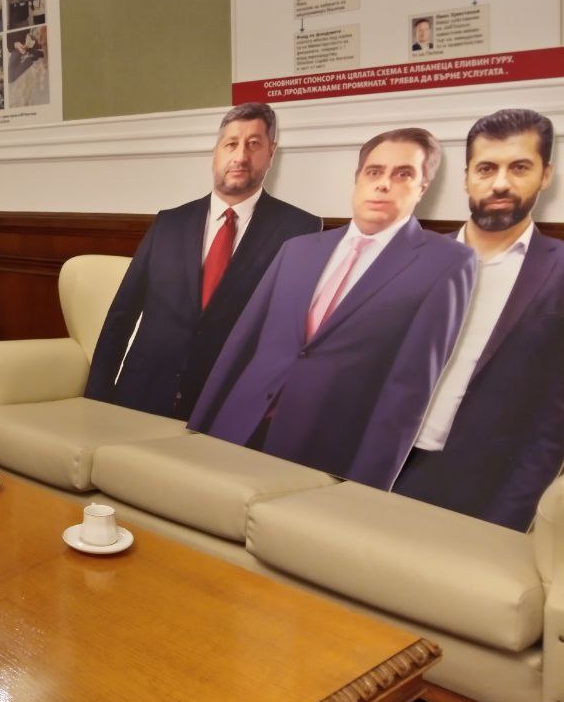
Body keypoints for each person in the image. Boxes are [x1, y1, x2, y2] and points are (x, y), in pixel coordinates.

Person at [189, 128, 476, 489]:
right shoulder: (298, 249)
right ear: (358, 179)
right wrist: (199, 427)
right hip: (235, 426)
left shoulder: (446, 263)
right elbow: (241, 344)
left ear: (423, 187)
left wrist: (365, 490)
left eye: (403, 174)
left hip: (324, 452)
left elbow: (408, 393)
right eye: (374, 171)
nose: (383, 184)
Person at [84, 104, 320, 419]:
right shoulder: (168, 223)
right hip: (141, 397)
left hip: (227, 408)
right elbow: (121, 316)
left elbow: (291, 333)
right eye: (231, 144)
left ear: (271, 153)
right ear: (215, 153)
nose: (240, 156)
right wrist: (97, 399)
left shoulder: (299, 228)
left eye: (254, 144)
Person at [393, 110, 564, 530]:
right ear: (467, 177)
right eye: (486, 168)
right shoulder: (409, 259)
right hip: (380, 467)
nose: (500, 183)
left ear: (545, 175)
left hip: (476, 494)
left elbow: (552, 427)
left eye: (519, 167)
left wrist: (507, 520)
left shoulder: (560, 272)